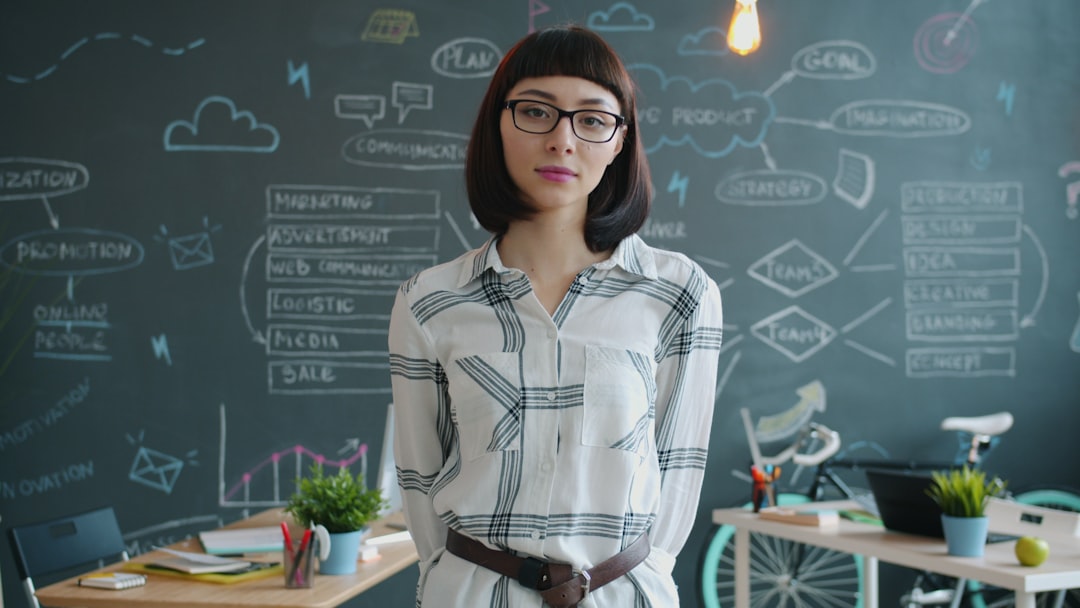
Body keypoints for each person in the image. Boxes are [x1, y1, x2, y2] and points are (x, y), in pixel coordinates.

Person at [388, 23, 723, 607]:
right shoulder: (428, 300)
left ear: (619, 140)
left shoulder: (679, 293)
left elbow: (679, 466)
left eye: (592, 119)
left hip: (621, 593)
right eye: (536, 112)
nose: (562, 140)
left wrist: (644, 580)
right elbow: (420, 479)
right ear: (499, 122)